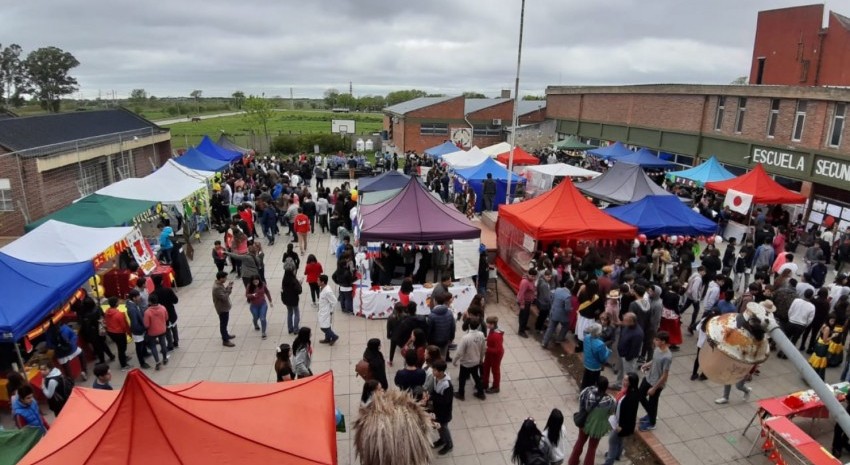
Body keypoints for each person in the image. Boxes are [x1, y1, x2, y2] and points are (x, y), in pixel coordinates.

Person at [568, 376, 615, 465]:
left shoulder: (587, 392)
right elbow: (611, 412)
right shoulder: (610, 400)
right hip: (598, 427)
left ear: (596, 384)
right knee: (592, 448)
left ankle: (573, 461)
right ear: (606, 387)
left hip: (585, 422)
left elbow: (582, 405)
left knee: (580, 442)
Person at [603, 372, 641, 465]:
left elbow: (629, 414)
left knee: (612, 441)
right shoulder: (626, 391)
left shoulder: (631, 397)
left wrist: (621, 426)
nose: (624, 381)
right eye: (624, 379)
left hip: (622, 424)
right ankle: (617, 454)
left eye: (626, 380)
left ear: (631, 382)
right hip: (618, 420)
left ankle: (609, 461)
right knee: (619, 440)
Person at [638, 331, 672, 432]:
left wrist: (654, 388)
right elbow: (654, 360)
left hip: (657, 383)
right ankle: (651, 413)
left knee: (653, 403)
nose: (654, 341)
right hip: (649, 378)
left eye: (657, 340)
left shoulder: (667, 357)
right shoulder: (657, 349)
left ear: (663, 342)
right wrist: (647, 364)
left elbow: (665, 375)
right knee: (640, 395)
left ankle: (652, 423)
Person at [453, 320, 486, 401]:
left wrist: (454, 361)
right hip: (476, 361)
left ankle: (461, 394)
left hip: (466, 362)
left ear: (469, 326)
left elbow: (459, 352)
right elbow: (483, 349)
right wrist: (481, 358)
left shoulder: (466, 338)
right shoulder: (481, 335)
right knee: (476, 377)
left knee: (462, 378)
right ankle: (481, 393)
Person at [429, 359, 454, 455]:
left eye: (434, 370)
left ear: (441, 372)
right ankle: (442, 439)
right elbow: (435, 391)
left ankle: (448, 443)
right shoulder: (436, 378)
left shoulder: (447, 385)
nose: (432, 372)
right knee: (438, 427)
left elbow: (445, 401)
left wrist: (433, 397)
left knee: (444, 427)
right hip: (437, 410)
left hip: (444, 412)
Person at [613, 313, 643, 390]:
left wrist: (628, 358)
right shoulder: (627, 326)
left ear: (631, 321)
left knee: (628, 375)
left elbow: (635, 349)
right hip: (622, 354)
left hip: (628, 358)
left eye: (625, 321)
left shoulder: (637, 334)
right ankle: (619, 384)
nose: (623, 322)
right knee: (620, 370)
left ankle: (627, 389)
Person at [104, 296, 133, 371]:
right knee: (122, 348)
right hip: (119, 333)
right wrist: (129, 333)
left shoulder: (107, 312)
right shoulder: (119, 314)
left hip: (111, 332)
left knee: (120, 347)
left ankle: (124, 357)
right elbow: (124, 326)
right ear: (116, 303)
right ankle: (123, 365)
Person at [151, 275, 180, 351]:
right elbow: (176, 300)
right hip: (171, 312)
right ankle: (176, 341)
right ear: (161, 281)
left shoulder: (153, 294)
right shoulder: (168, 290)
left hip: (161, 315)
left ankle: (170, 345)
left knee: (166, 330)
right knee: (174, 327)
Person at [542, 279, 572, 348]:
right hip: (562, 315)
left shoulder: (557, 289)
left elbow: (552, 298)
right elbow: (567, 308)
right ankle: (559, 339)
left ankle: (544, 342)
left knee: (551, 328)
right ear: (571, 287)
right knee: (566, 325)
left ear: (564, 284)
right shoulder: (568, 296)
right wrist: (571, 309)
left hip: (553, 311)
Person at [580, 323, 611, 390]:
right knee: (593, 381)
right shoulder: (600, 344)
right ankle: (590, 392)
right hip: (595, 366)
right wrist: (608, 352)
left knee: (586, 378)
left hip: (587, 363)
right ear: (599, 333)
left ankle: (583, 390)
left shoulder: (586, 337)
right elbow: (603, 358)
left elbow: (585, 331)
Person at [143, 293, 169, 370]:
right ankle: (165, 358)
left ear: (150, 302)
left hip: (152, 332)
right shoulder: (163, 308)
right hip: (162, 330)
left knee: (153, 346)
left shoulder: (147, 312)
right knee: (163, 344)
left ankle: (158, 363)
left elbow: (146, 325)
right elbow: (166, 318)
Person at [126, 289, 151, 368]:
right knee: (139, 346)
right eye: (138, 296)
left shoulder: (134, 304)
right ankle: (142, 363)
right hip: (138, 331)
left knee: (142, 344)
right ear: (134, 298)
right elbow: (135, 323)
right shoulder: (132, 309)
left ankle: (145, 353)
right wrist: (142, 330)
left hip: (140, 329)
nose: (140, 297)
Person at [427, 293, 456, 359]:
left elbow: (429, 330)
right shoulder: (449, 313)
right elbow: (453, 327)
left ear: (435, 301)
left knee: (434, 358)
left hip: (434, 342)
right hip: (445, 340)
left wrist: (428, 341)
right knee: (443, 357)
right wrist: (451, 338)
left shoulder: (431, 315)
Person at [213, 271, 236, 347]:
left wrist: (228, 286)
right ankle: (225, 340)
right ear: (221, 278)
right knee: (223, 324)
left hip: (224, 307)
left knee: (224, 324)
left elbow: (223, 292)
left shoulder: (220, 284)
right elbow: (224, 297)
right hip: (222, 309)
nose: (226, 279)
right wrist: (229, 289)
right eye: (225, 277)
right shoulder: (217, 288)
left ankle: (226, 335)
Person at [483, 315, 505, 394]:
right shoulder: (492, 330)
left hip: (495, 356)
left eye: (488, 323)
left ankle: (496, 387)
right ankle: (485, 383)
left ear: (492, 324)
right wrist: (486, 339)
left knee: (495, 371)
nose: (486, 324)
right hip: (489, 354)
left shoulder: (496, 336)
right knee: (485, 367)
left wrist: (486, 348)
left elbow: (498, 350)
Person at [317, 274, 340, 345]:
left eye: (318, 280)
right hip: (322, 310)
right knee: (326, 325)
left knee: (324, 327)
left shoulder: (327, 291)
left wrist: (330, 310)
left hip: (326, 312)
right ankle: (327, 339)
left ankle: (334, 336)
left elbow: (334, 301)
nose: (317, 281)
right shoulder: (322, 288)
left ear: (323, 282)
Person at [517, 269, 538, 338]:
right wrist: (522, 304)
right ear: (528, 274)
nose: (533, 278)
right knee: (523, 316)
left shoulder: (531, 281)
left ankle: (523, 326)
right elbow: (521, 294)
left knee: (525, 315)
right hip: (524, 301)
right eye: (532, 276)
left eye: (535, 277)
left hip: (528, 301)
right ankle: (521, 331)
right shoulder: (525, 282)